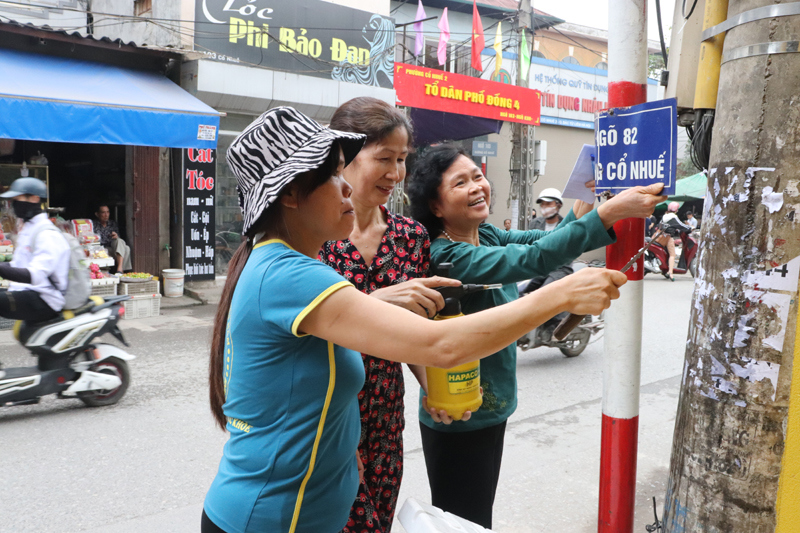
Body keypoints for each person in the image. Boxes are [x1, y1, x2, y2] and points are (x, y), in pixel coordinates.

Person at [202, 107, 627, 533]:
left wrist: (341, 443)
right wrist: (561, 294)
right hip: (271, 516)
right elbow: (440, 344)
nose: (347, 187)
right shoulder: (289, 274)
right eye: (334, 176)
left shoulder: (296, 262)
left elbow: (314, 387)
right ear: (290, 194)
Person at [407, 144, 665, 529]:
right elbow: (533, 260)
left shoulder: (486, 235)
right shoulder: (447, 256)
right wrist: (610, 212)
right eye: (460, 183)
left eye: (477, 176)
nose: (477, 186)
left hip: (491, 404)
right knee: (464, 520)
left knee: (476, 518)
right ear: (436, 206)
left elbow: (544, 245)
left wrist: (584, 200)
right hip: (456, 410)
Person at [322, 97, 457, 533]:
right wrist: (377, 300)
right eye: (383, 158)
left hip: (384, 415)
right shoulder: (313, 237)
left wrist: (435, 389)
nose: (396, 173)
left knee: (377, 522)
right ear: (343, 157)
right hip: (326, 414)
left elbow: (412, 330)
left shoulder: (411, 237)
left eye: (401, 160)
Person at [0, 178, 70, 322]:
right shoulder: (28, 229)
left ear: (34, 198)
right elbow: (16, 266)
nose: (14, 205)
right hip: (26, 292)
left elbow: (34, 276)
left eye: (17, 200)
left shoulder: (46, 233)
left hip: (44, 299)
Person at [656, 201, 692, 281]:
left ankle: (666, 269)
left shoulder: (665, 216)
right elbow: (681, 225)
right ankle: (670, 272)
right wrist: (689, 228)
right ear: (676, 210)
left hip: (659, 236)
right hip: (667, 237)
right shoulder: (673, 217)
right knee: (673, 255)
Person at [94, 204, 131, 273]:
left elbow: (118, 240)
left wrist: (116, 236)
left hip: (113, 247)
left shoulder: (113, 223)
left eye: (108, 212)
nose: (106, 215)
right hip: (102, 250)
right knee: (126, 249)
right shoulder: (93, 225)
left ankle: (119, 268)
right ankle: (122, 271)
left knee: (120, 241)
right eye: (103, 212)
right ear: (97, 214)